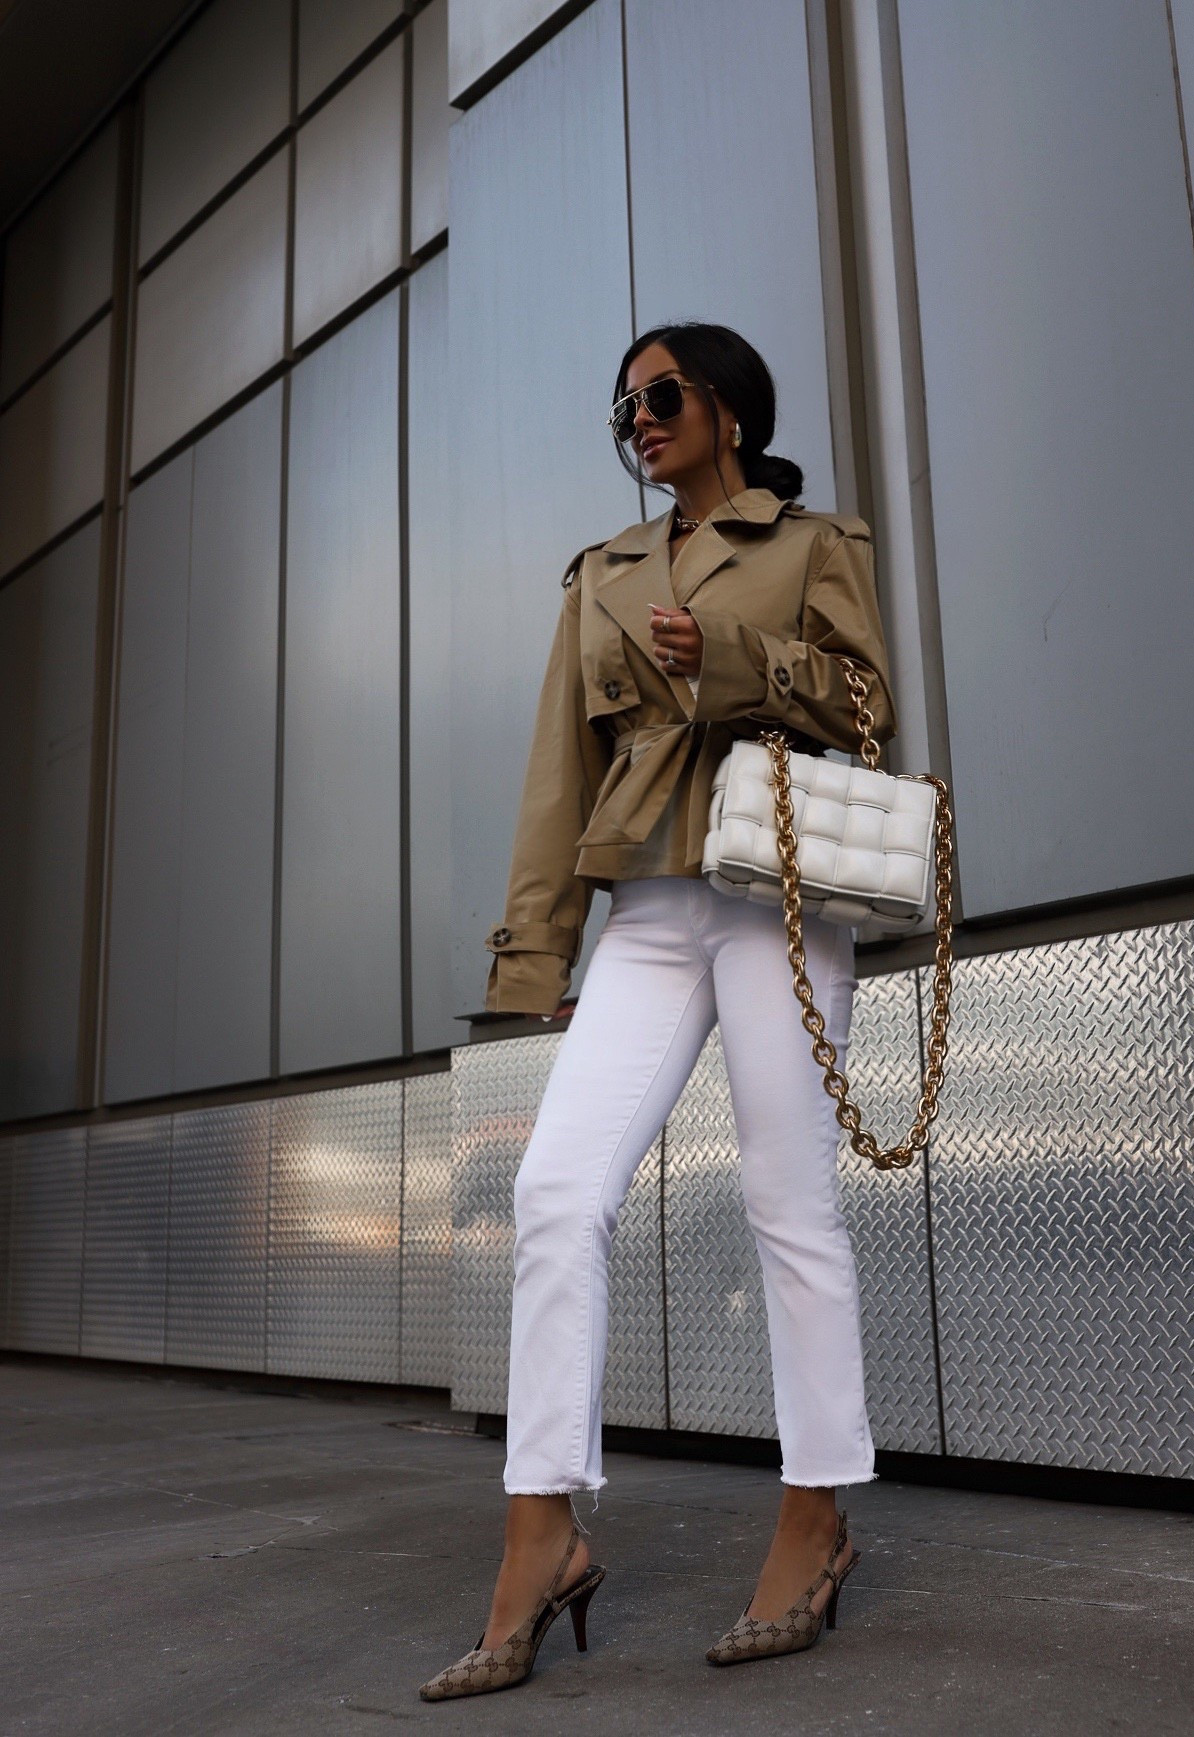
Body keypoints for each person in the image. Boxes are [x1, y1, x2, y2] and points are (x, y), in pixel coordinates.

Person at [420, 321, 899, 1700]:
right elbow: (552, 778)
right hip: (645, 902)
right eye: (623, 402)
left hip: (774, 888)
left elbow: (872, 708)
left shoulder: (817, 544)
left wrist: (737, 657)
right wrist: (536, 951)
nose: (638, 417)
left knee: (786, 1199)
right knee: (557, 1192)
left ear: (727, 411)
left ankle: (815, 1514)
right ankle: (542, 1526)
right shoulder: (601, 574)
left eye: (662, 394)